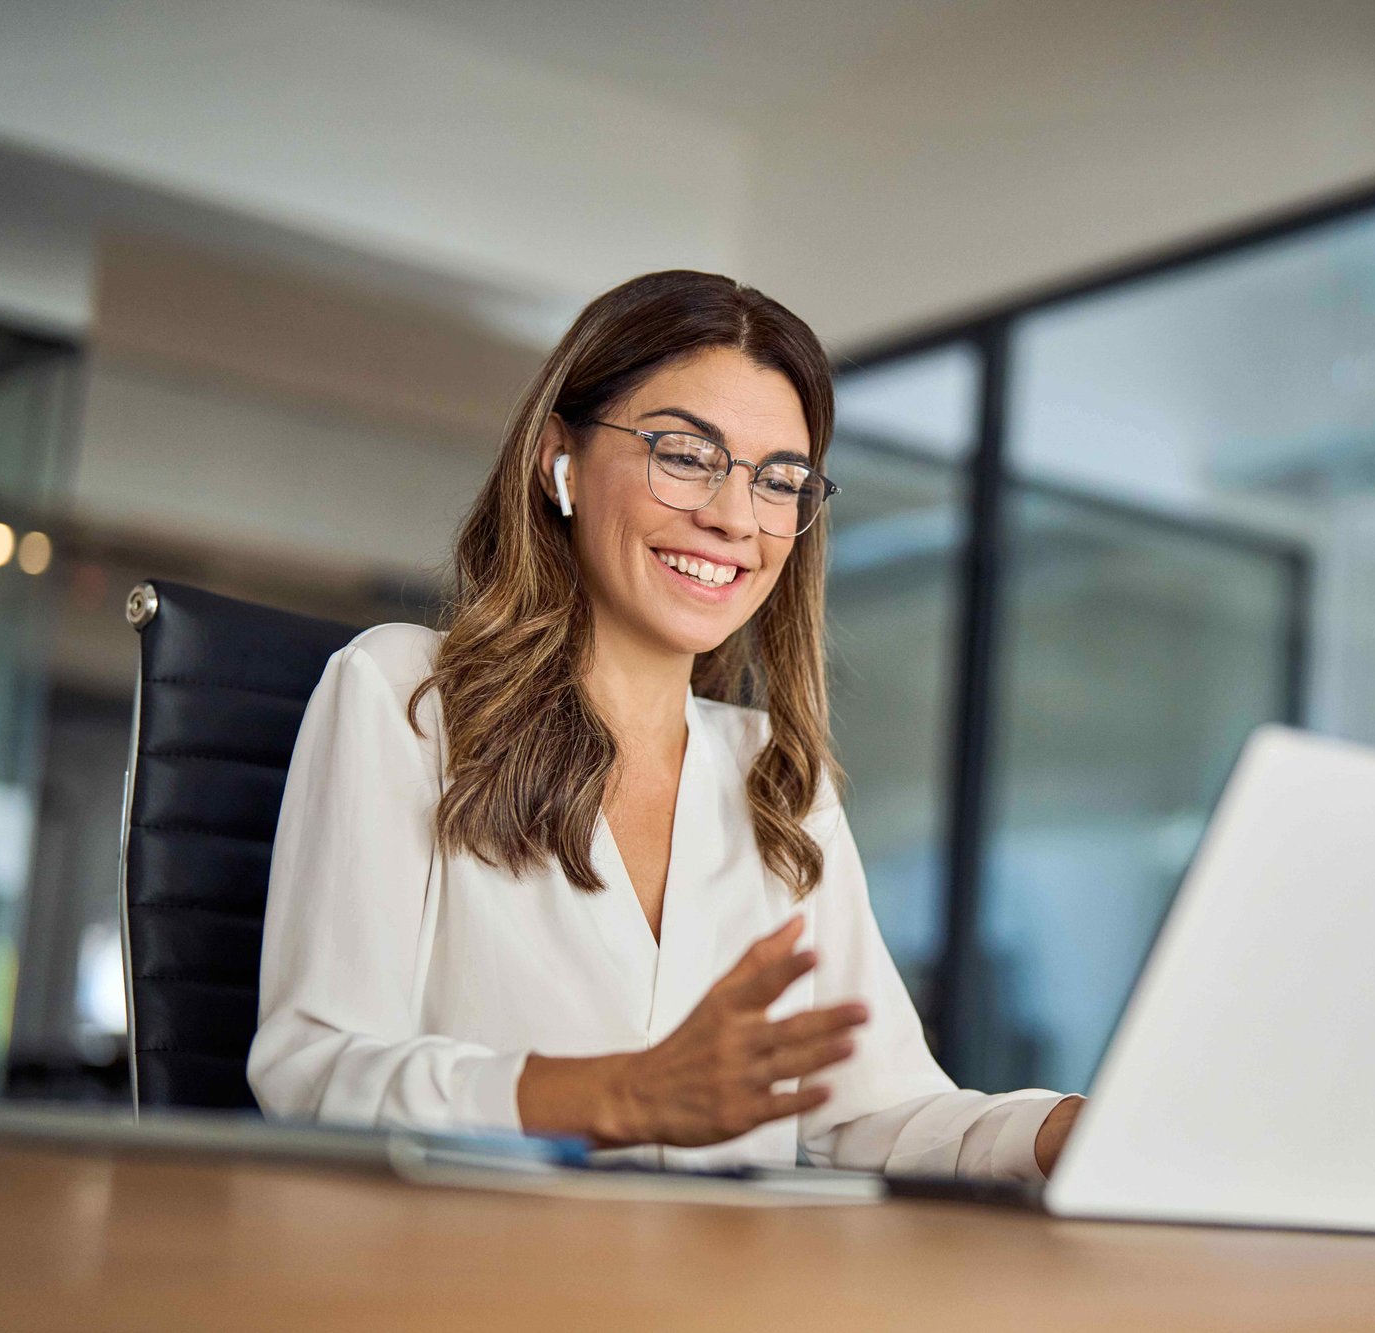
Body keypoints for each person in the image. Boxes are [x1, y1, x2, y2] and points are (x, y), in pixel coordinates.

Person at [248, 270, 1083, 1180]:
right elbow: (314, 1071)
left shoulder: (776, 780)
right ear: (558, 458)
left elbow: (879, 1111)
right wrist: (618, 1095)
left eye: (779, 479)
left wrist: (1067, 1129)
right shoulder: (405, 694)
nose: (733, 518)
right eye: (684, 454)